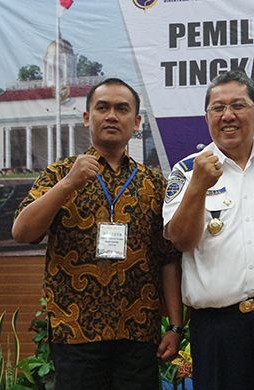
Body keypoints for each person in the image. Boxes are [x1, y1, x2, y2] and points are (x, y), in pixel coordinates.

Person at [12, 78, 183, 390]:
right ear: (87, 118)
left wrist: (174, 325)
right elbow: (22, 232)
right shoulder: (60, 173)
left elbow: (168, 258)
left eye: (122, 109)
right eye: (102, 108)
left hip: (138, 334)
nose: (112, 116)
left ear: (137, 122)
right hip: (76, 332)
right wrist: (68, 185)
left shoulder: (155, 183)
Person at [162, 70, 254, 390]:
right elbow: (181, 241)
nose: (227, 116)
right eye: (217, 108)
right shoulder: (187, 171)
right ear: (206, 118)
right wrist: (198, 189)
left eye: (238, 106)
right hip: (219, 328)